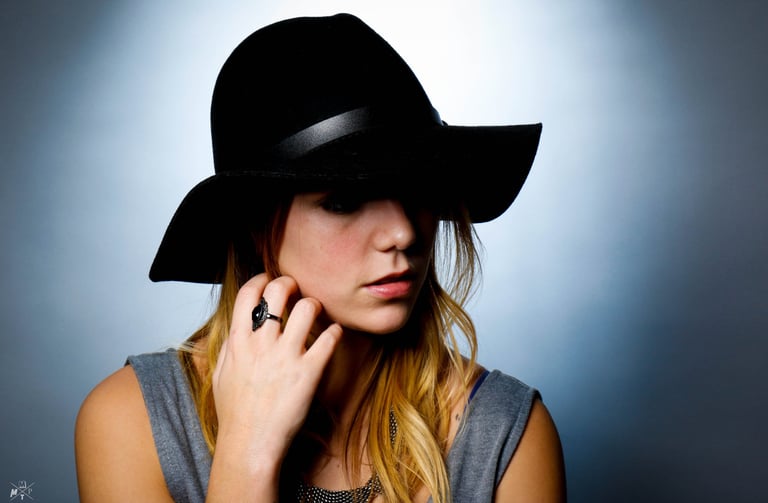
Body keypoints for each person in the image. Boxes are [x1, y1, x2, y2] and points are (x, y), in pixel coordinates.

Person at [74, 12, 566, 503]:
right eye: (344, 202)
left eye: (416, 189)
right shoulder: (132, 421)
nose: (402, 232)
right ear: (257, 227)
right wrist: (247, 451)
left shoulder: (503, 434)